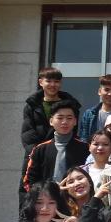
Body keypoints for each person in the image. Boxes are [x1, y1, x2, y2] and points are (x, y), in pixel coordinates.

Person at [20, 67, 80, 202]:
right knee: (33, 194)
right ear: (41, 82)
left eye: (56, 81)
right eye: (49, 81)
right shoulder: (32, 105)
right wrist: (39, 152)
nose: (53, 85)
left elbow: (73, 131)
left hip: (65, 151)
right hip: (36, 155)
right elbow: (28, 132)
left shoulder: (71, 105)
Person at [23, 100, 89, 192]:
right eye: (60, 118)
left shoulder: (85, 148)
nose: (64, 122)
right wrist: (44, 194)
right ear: (51, 121)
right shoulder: (40, 149)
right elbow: (29, 181)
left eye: (69, 118)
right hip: (47, 198)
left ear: (75, 121)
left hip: (77, 197)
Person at [78, 74, 111, 141]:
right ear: (99, 91)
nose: (110, 94)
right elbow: (83, 139)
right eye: (106, 90)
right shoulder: (89, 114)